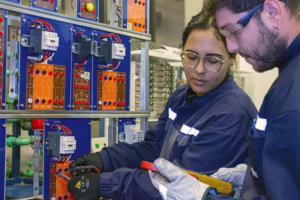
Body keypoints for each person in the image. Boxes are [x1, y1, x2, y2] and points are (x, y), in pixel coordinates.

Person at [67, 12, 257, 200]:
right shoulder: (182, 96)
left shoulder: (233, 113)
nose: (199, 70)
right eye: (191, 57)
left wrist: (107, 184)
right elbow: (154, 149)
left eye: (212, 61)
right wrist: (106, 159)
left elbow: (180, 186)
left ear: (232, 58)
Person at [150, 0, 300, 199]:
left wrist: (204, 196)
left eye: (234, 31)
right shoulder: (287, 81)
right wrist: (251, 184)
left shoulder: (291, 95)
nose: (231, 46)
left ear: (273, 12)